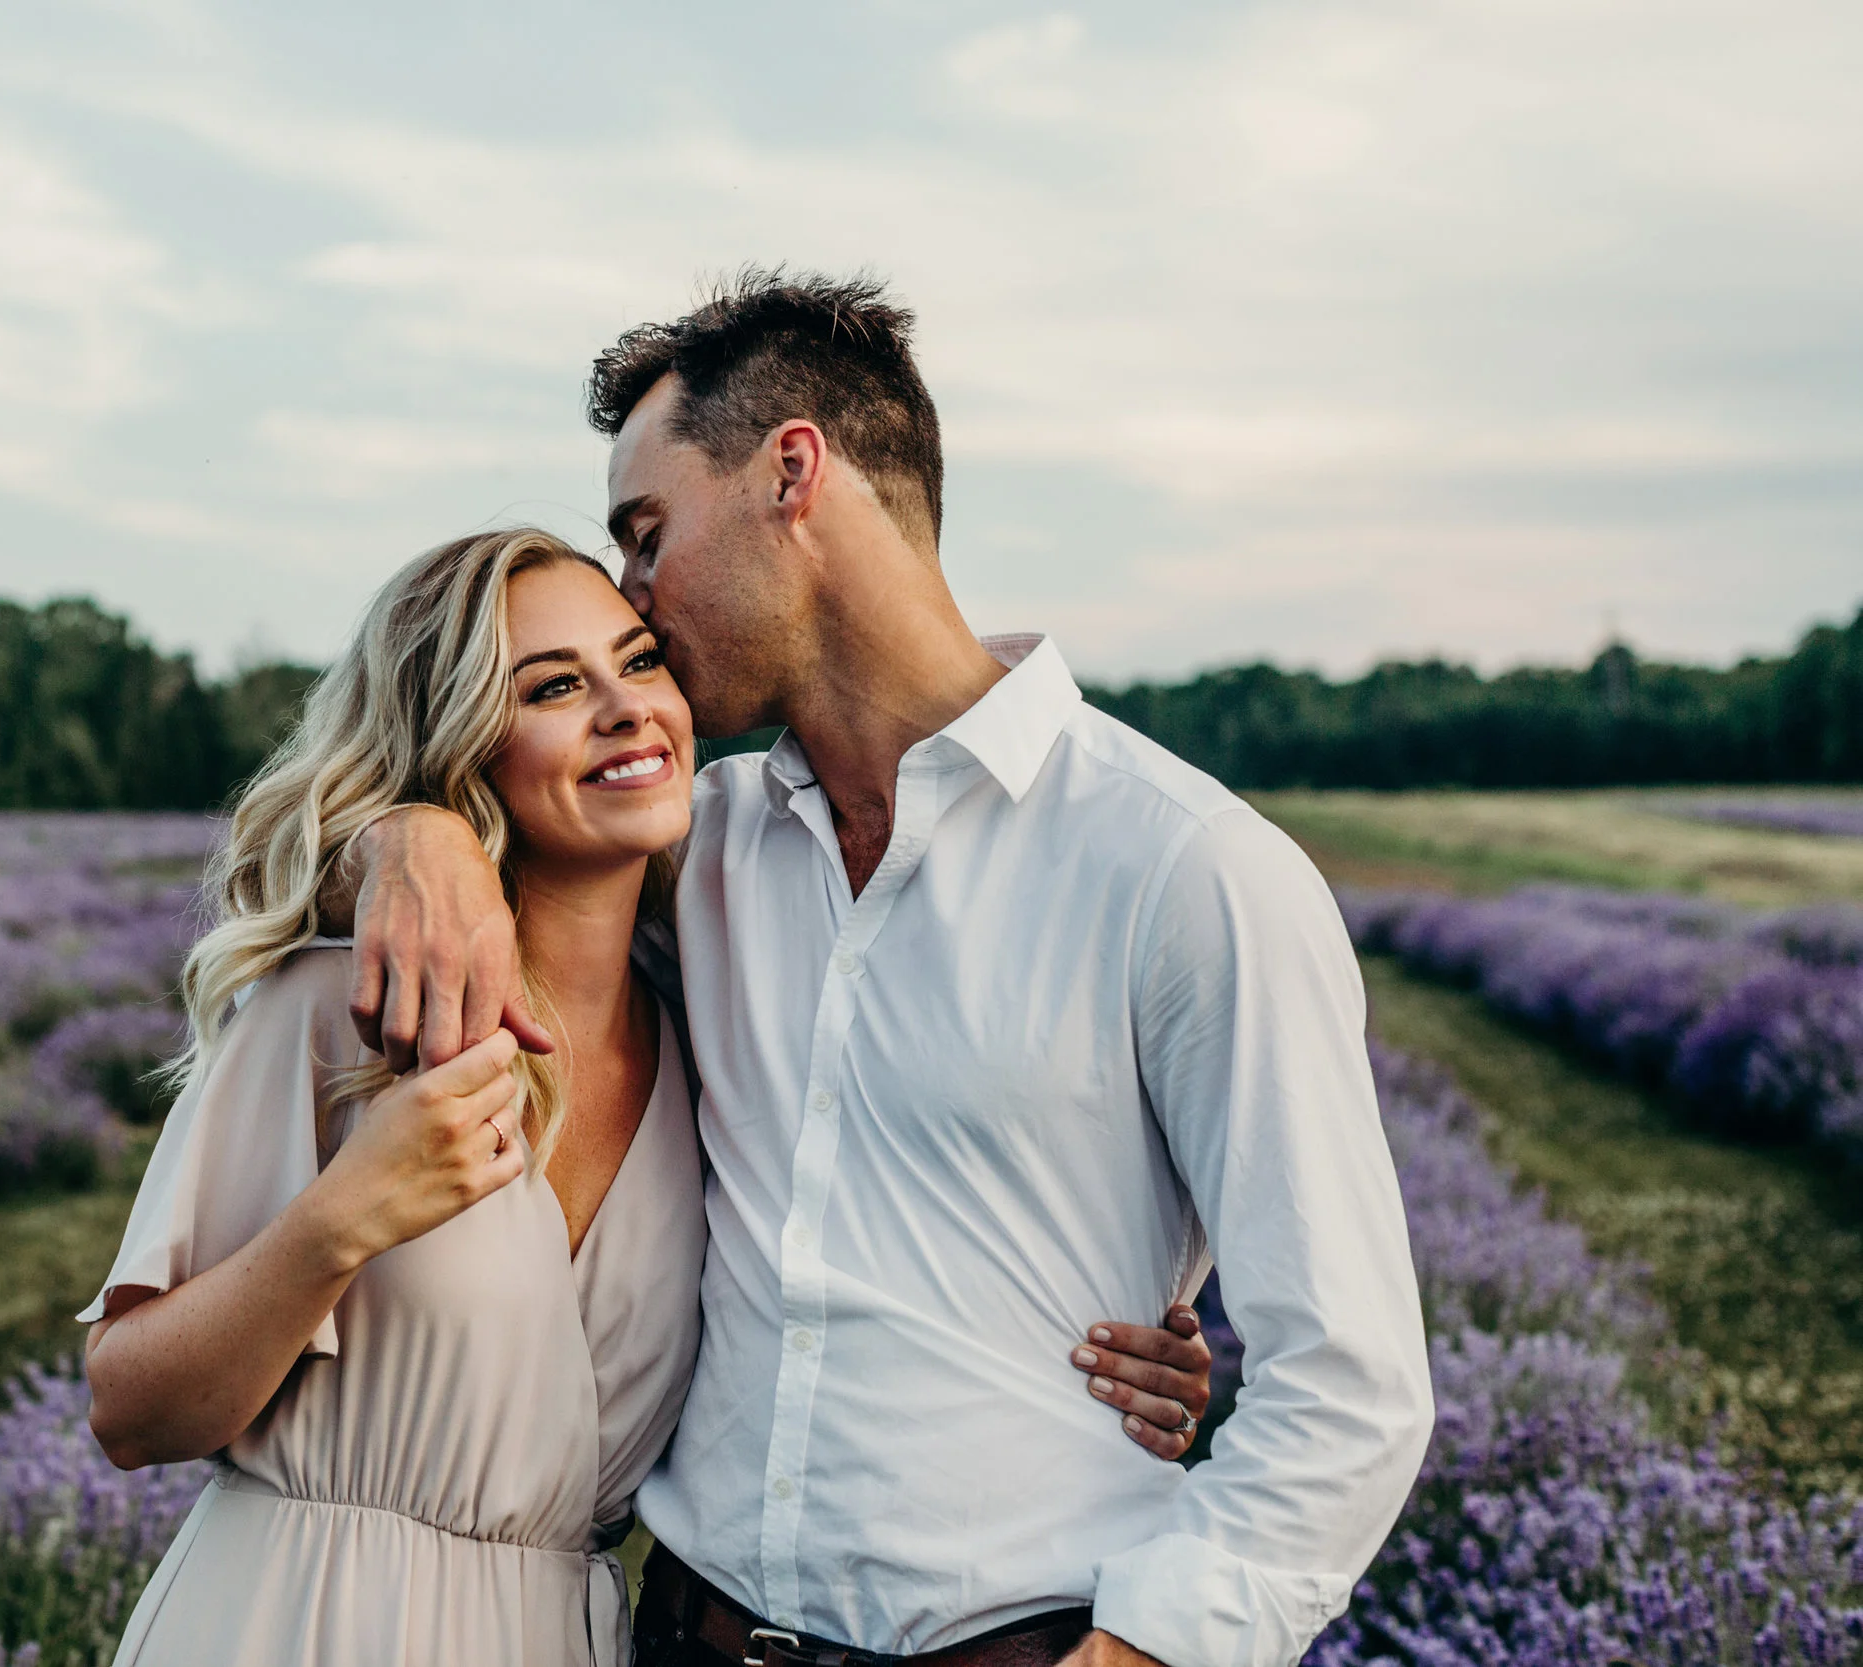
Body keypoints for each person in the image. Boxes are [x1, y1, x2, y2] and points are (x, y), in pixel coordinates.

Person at [345, 274, 1436, 1667]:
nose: (632, 594)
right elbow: (476, 834)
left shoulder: (1186, 868)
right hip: (687, 1634)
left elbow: (1349, 1380)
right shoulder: (711, 846)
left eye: (647, 532)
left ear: (790, 473)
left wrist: (1154, 1649)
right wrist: (412, 830)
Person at [80, 527, 1212, 1666]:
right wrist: (339, 1221)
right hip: (294, 1622)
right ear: (462, 744)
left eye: (640, 661)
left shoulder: (713, 1033)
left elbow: (842, 1276)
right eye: (555, 686)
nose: (626, 708)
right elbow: (130, 1409)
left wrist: (1080, 1344)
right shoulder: (343, 1011)